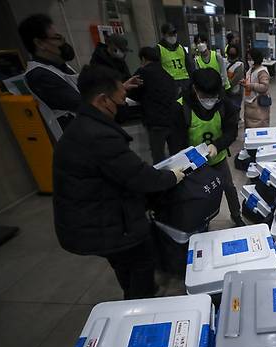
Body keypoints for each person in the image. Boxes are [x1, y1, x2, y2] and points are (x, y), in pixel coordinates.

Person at [53, 64, 185, 300]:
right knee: (141, 264)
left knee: (125, 266)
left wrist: (120, 88)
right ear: (103, 100)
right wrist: (173, 175)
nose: (124, 104)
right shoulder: (99, 136)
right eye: (121, 98)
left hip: (93, 217)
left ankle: (134, 293)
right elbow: (139, 176)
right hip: (106, 223)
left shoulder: (82, 124)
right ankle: (137, 310)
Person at [172, 68, 245, 227]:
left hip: (217, 157)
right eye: (206, 97)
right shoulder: (181, 108)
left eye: (214, 96)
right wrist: (193, 159)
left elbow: (231, 130)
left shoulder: (223, 103)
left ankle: (236, 215)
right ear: (195, 89)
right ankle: (203, 222)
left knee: (229, 187)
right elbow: (176, 142)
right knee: (200, 193)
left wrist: (217, 145)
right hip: (192, 162)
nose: (210, 101)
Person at [18, 13, 79, 140]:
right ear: (40, 43)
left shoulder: (60, 66)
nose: (63, 43)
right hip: (74, 139)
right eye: (57, 38)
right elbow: (80, 102)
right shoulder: (39, 75)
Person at [127, 47, 181, 164]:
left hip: (156, 122)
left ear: (143, 59)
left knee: (159, 158)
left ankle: (163, 180)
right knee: (176, 155)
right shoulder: (167, 74)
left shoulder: (142, 73)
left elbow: (131, 92)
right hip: (172, 120)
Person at [157, 23, 192, 96]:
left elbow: (189, 66)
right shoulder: (159, 49)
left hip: (185, 82)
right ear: (164, 35)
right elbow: (157, 69)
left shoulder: (181, 47)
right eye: (170, 33)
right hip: (170, 83)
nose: (173, 35)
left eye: (174, 32)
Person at [241, 48, 271, 128]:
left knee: (259, 124)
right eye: (248, 59)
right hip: (249, 101)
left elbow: (264, 86)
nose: (249, 61)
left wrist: (250, 85)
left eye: (250, 58)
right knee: (249, 124)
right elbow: (251, 80)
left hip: (258, 102)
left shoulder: (262, 71)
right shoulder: (251, 69)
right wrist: (245, 82)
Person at [225, 44, 245, 111]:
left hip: (235, 92)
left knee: (234, 110)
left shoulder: (239, 64)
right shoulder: (224, 62)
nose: (231, 54)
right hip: (226, 92)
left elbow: (235, 80)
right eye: (230, 52)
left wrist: (226, 87)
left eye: (233, 52)